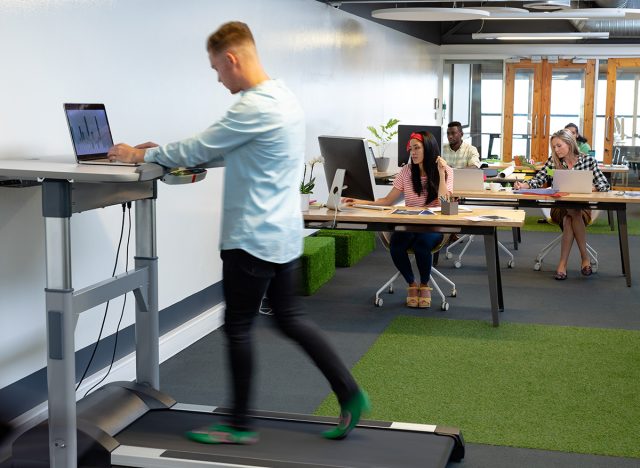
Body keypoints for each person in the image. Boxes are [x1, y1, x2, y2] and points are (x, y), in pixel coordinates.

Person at [107, 21, 368, 444]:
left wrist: (140, 153)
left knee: (238, 327)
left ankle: (239, 426)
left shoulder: (253, 105)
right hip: (282, 235)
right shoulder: (283, 97)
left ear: (231, 59)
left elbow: (202, 146)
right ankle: (350, 393)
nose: (217, 77)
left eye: (216, 69)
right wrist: (163, 152)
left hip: (252, 237)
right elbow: (233, 149)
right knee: (291, 319)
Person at [346, 132, 453, 308]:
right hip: (409, 224)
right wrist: (359, 200)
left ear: (429, 148)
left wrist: (441, 173)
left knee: (422, 245)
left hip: (434, 226)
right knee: (396, 244)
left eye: (417, 148)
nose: (413, 152)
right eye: (411, 149)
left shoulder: (446, 171)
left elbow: (444, 204)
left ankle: (425, 284)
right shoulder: (406, 171)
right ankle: (411, 284)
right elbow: (387, 201)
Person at [514, 129, 609, 280]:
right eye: (554, 147)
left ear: (569, 143)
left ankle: (562, 264)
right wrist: (524, 185)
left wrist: (593, 187)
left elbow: (605, 185)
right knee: (572, 211)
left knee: (570, 217)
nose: (556, 150)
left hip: (582, 208)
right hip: (558, 208)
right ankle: (585, 259)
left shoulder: (588, 161)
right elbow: (538, 179)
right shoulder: (554, 162)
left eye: (559, 146)